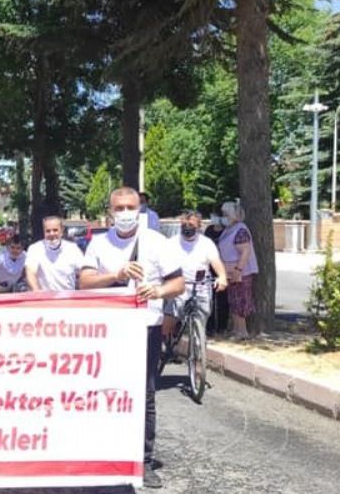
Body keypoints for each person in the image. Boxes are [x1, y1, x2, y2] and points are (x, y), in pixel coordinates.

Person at [79, 187, 184, 490]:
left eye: (130, 207)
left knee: (145, 394)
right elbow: (84, 282)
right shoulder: (99, 243)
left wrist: (158, 291)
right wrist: (116, 274)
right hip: (109, 329)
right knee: (104, 392)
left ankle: (144, 461)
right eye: (119, 208)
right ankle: (104, 455)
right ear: (110, 211)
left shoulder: (158, 242)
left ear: (140, 209)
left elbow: (177, 282)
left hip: (146, 327)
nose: (125, 213)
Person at [161, 211, 228, 343]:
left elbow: (216, 262)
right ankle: (166, 344)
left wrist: (222, 277)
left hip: (201, 287)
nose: (187, 227)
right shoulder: (171, 243)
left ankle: (198, 348)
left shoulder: (206, 243)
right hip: (178, 287)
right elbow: (162, 264)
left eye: (191, 224)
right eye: (184, 224)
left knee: (201, 317)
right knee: (170, 319)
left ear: (199, 226)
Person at [219, 201, 258, 339]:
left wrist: (238, 269)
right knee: (233, 300)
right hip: (229, 270)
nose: (223, 216)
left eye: (225, 214)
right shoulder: (229, 229)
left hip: (240, 271)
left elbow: (245, 251)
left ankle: (242, 332)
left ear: (233, 215)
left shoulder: (240, 230)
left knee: (240, 301)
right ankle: (237, 330)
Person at [24, 216, 85, 291]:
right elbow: (30, 273)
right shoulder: (35, 249)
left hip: (68, 298)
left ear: (62, 231)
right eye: (48, 231)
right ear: (44, 231)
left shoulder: (72, 249)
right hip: (44, 298)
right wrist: (36, 291)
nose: (52, 234)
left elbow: (84, 272)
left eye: (55, 230)